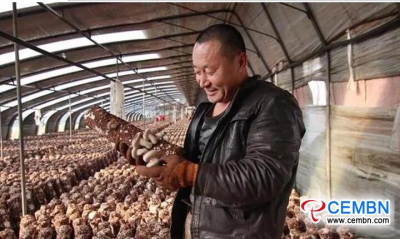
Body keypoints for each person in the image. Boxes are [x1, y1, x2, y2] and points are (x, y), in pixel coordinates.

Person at [116, 24, 305, 239]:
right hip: (194, 227)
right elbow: (199, 162)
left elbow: (265, 176)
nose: (202, 81)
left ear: (241, 62)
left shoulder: (273, 104)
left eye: (211, 71)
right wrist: (158, 158)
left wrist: (189, 173)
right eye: (197, 72)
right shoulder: (204, 110)